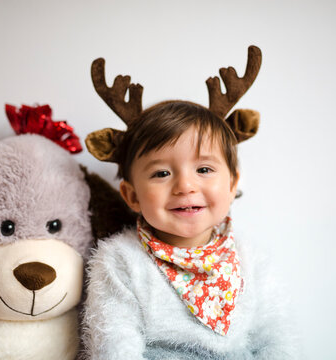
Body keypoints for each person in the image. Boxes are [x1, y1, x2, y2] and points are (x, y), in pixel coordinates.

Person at [82, 52, 299, 359]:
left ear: (232, 184)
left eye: (204, 169)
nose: (185, 186)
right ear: (131, 196)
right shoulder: (120, 261)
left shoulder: (252, 260)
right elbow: (115, 345)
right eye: (161, 173)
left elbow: (278, 340)